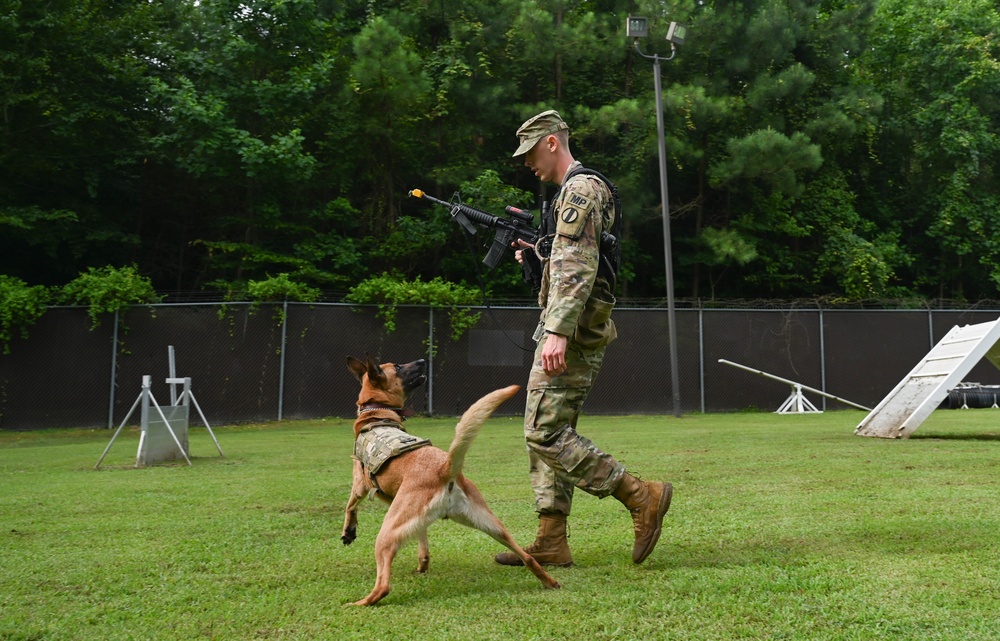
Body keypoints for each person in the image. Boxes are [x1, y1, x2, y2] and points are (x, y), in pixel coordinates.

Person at [495, 109, 673, 567]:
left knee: (543, 431)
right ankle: (552, 539)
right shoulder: (567, 195)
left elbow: (578, 267)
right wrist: (537, 258)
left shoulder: (579, 190)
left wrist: (556, 332)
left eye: (531, 151)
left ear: (552, 142)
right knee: (549, 429)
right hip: (571, 326)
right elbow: (569, 261)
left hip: (570, 333)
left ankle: (640, 496)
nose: (527, 163)